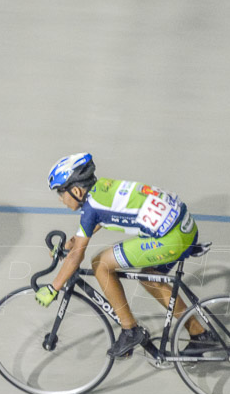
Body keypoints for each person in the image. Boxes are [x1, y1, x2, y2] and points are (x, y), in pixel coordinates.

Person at [35, 153, 215, 358]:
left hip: (171, 239)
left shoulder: (91, 208)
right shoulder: (104, 187)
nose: (61, 199)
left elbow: (77, 256)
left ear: (76, 190)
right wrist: (72, 243)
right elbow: (101, 220)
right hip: (184, 228)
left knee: (100, 264)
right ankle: (199, 334)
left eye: (61, 192)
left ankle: (130, 330)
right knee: (150, 278)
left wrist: (53, 287)